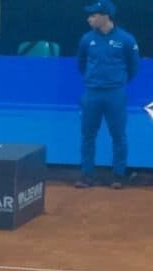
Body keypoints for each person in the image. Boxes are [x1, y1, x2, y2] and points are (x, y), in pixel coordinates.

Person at [75, 0, 141, 190]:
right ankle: (87, 175)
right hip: (92, 93)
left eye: (93, 15)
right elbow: (81, 64)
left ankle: (118, 176)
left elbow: (133, 67)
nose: (89, 19)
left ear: (105, 16)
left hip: (115, 94)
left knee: (118, 135)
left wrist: (116, 82)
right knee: (88, 134)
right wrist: (94, 80)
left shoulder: (126, 39)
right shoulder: (87, 39)